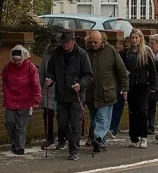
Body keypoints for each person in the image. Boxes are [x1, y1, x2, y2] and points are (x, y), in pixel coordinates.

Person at [45, 31, 94, 161]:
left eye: (67, 42)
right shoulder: (57, 53)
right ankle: (70, 143)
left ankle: (74, 150)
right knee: (62, 123)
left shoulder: (82, 54)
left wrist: (80, 84)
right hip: (61, 94)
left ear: (73, 41)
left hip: (76, 95)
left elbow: (89, 75)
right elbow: (51, 70)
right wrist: (50, 79)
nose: (64, 45)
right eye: (63, 42)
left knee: (75, 124)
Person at [84, 31, 128, 153]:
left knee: (102, 118)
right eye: (91, 42)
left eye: (95, 42)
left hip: (107, 92)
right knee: (94, 118)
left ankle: (97, 138)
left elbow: (121, 70)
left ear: (102, 40)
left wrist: (125, 87)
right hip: (91, 93)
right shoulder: (86, 52)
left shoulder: (111, 51)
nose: (93, 44)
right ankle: (101, 143)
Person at [2, 45, 41, 155]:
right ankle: (15, 142)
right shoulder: (8, 66)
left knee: (20, 125)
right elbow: (4, 80)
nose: (17, 62)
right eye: (15, 60)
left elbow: (36, 83)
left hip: (25, 99)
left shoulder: (30, 67)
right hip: (11, 98)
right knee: (10, 122)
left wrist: (37, 98)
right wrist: (5, 91)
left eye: (19, 60)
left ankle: (19, 147)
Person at [124, 29, 157, 148]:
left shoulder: (145, 53)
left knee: (142, 110)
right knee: (132, 112)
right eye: (132, 38)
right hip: (131, 86)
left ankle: (144, 137)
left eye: (136, 38)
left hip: (143, 86)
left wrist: (153, 88)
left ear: (141, 39)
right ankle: (134, 138)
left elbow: (153, 71)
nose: (134, 40)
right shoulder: (126, 53)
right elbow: (122, 69)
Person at [40, 37, 67, 150]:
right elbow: (42, 73)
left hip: (62, 89)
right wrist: (41, 85)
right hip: (49, 89)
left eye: (57, 45)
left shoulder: (66, 56)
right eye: (53, 45)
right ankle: (49, 138)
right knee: (47, 114)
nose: (55, 47)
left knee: (62, 116)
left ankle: (62, 139)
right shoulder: (47, 56)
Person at [108, 36, 131, 139]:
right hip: (121, 84)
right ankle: (112, 128)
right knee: (117, 106)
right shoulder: (120, 55)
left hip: (133, 83)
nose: (126, 48)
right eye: (125, 46)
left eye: (127, 46)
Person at [147, 33, 158, 134]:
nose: (150, 45)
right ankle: (151, 126)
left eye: (152, 43)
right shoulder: (148, 54)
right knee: (151, 104)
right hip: (152, 82)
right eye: (150, 43)